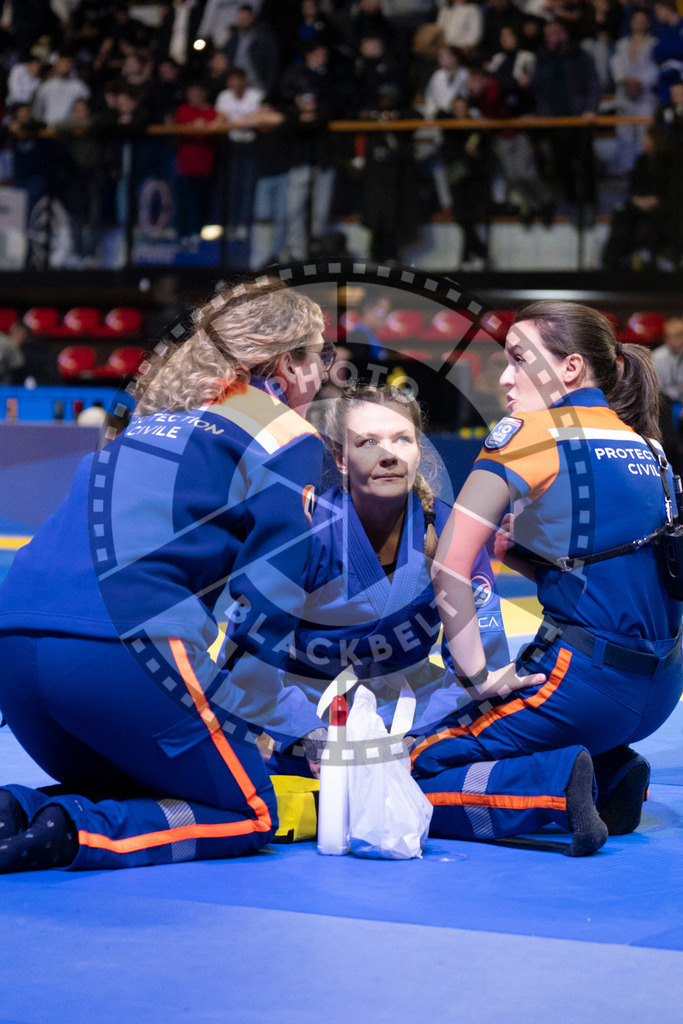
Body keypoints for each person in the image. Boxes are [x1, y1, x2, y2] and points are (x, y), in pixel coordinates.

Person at [0, 279, 334, 873]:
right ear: (286, 365)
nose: (324, 376)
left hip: (14, 652)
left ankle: (16, 808)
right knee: (250, 810)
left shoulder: (147, 427)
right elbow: (270, 594)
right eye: (319, 358)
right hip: (120, 650)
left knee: (142, 790)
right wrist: (252, 721)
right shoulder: (285, 435)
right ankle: (72, 832)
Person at [412, 302, 683, 853]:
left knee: (414, 764)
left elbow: (449, 567)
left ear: (570, 369)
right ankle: (609, 773)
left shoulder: (529, 433)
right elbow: (629, 573)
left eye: (517, 359)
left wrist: (479, 679)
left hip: (579, 688)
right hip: (661, 693)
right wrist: (530, 561)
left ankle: (558, 787)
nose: (504, 378)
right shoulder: (650, 448)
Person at [261, 382, 510, 777]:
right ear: (340, 459)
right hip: (310, 708)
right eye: (368, 442)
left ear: (418, 451)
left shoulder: (452, 533)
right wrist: (306, 732)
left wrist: (424, 735)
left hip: (415, 711)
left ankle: (583, 778)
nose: (389, 455)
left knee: (478, 744)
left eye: (402, 439)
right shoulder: (306, 532)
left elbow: (486, 665)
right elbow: (253, 657)